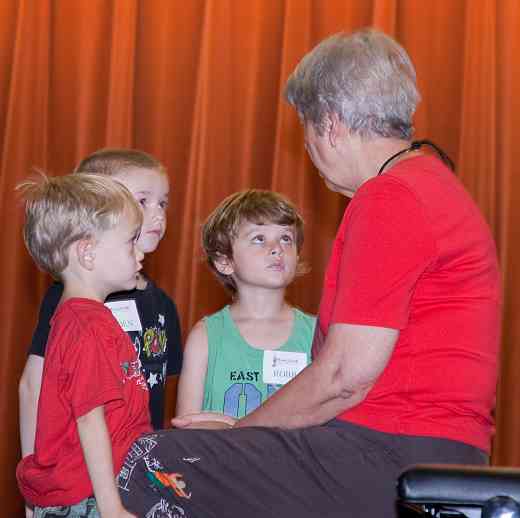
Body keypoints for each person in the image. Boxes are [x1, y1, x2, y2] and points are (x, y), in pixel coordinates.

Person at [119, 29, 501, 518]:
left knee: (151, 460)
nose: (309, 147)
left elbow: (344, 378)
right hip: (415, 446)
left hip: (391, 452)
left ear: (332, 124)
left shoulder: (391, 196)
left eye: (307, 129)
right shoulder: (430, 185)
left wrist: (241, 433)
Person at [18, 149, 183, 460]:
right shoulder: (71, 298)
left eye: (163, 202)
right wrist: (33, 465)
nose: (158, 214)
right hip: (78, 467)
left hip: (136, 465)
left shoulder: (163, 305)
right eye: (142, 201)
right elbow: (33, 385)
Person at [17, 173, 150, 517]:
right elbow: (90, 420)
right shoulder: (86, 325)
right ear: (87, 253)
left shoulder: (75, 317)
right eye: (130, 241)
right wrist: (110, 508)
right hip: (88, 497)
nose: (140, 253)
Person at [176, 189, 315, 419]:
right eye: (259, 238)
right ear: (224, 261)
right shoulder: (206, 336)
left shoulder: (316, 334)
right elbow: (186, 430)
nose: (276, 248)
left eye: (286, 238)